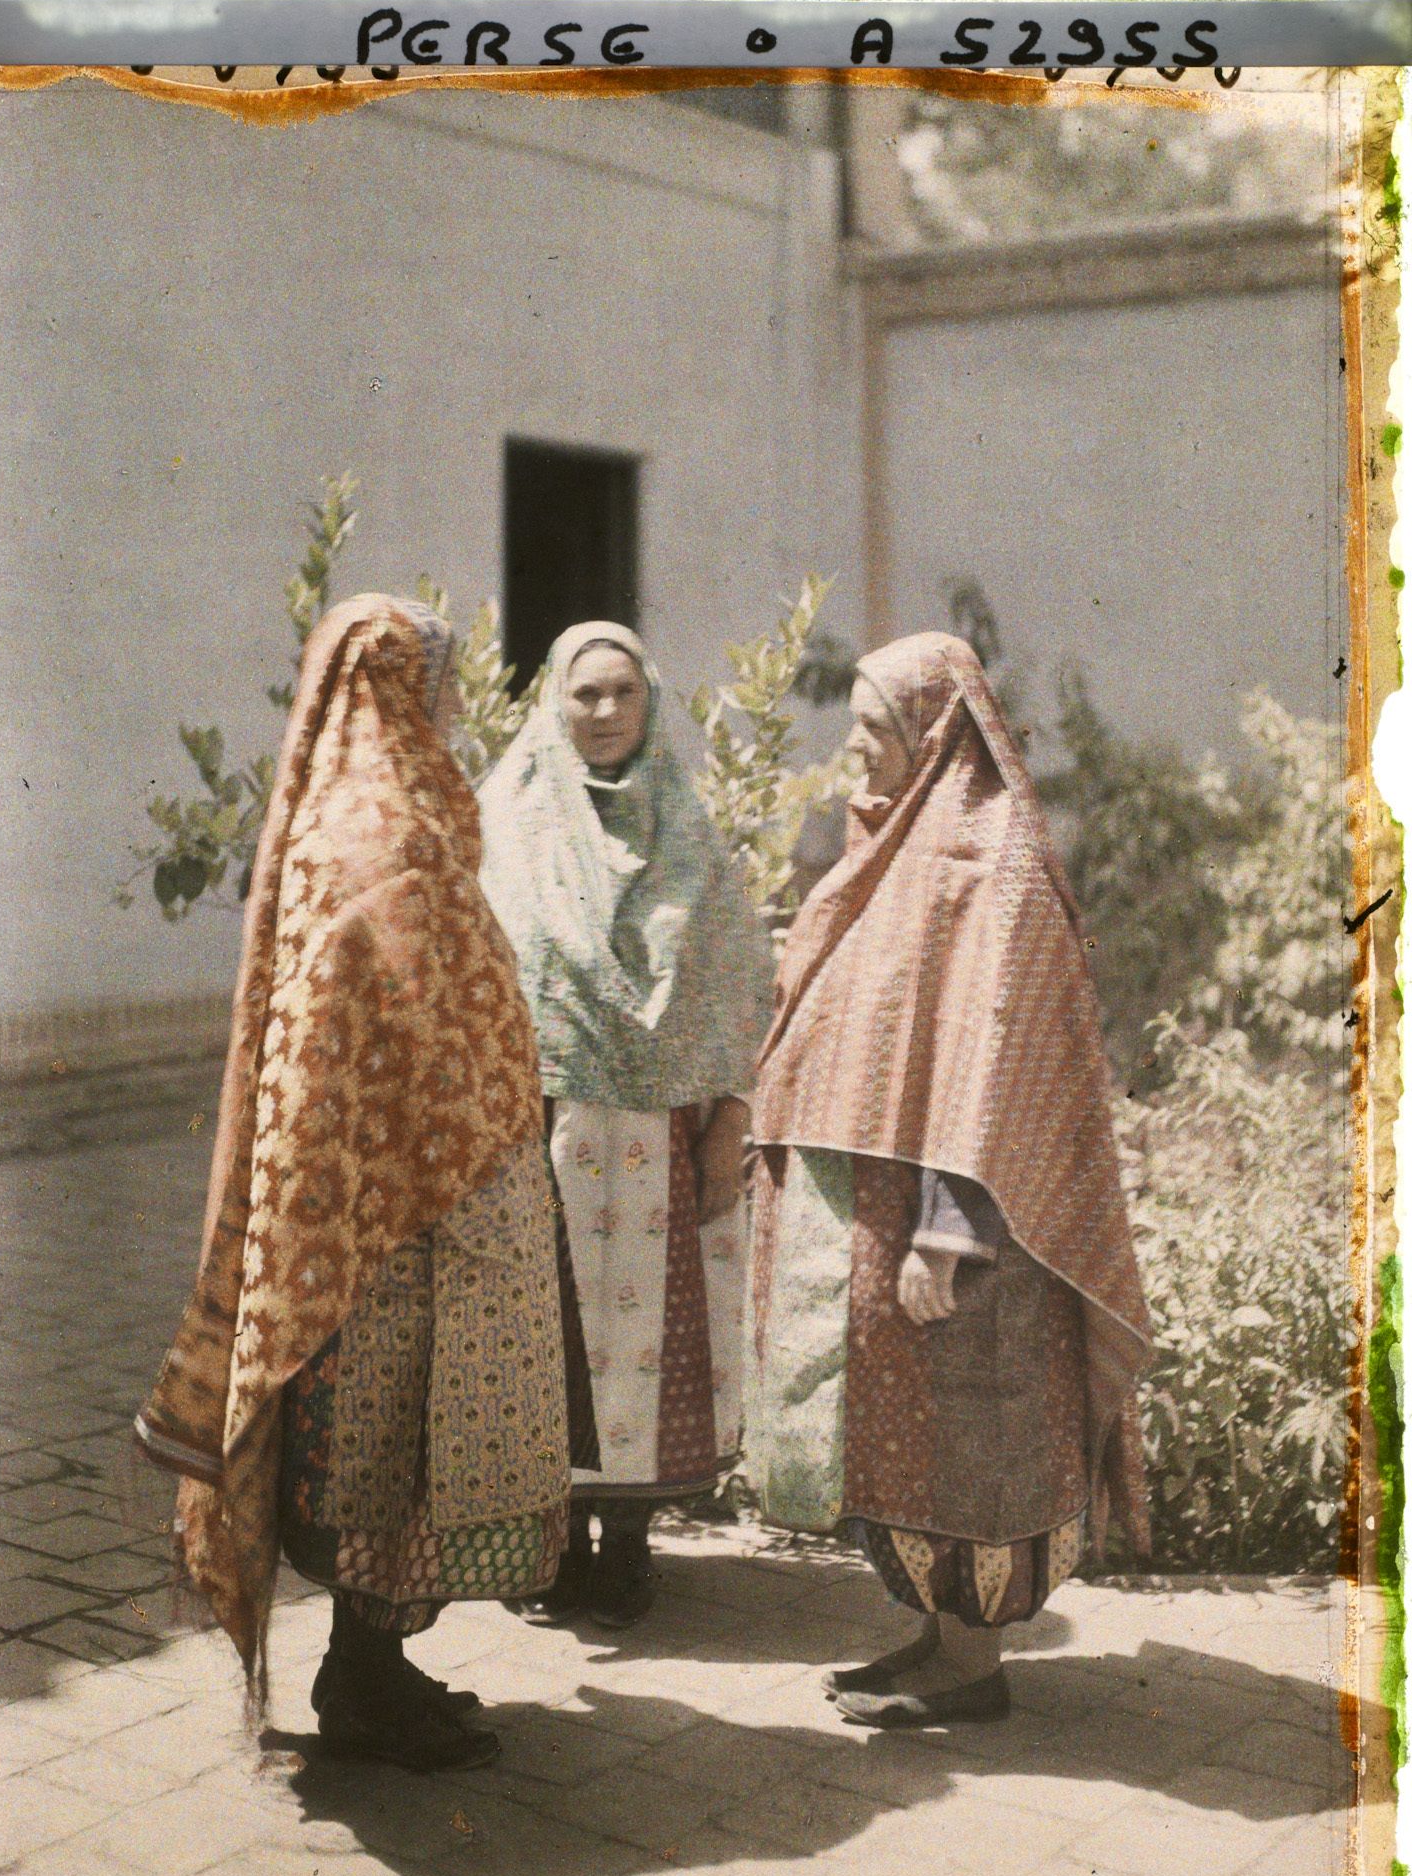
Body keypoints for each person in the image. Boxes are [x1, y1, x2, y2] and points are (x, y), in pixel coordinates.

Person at [135, 593, 570, 1772]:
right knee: (391, 1460)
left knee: (371, 1459)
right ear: (400, 689)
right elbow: (434, 1032)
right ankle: (361, 1679)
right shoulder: (392, 835)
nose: (448, 706)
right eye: (437, 683)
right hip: (403, 1220)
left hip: (355, 1214)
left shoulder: (339, 820)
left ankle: (369, 1663)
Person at [745, 630, 1151, 1727]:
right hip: (901, 1222)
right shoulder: (895, 845)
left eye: (874, 733)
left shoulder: (993, 860)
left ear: (932, 733)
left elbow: (992, 1066)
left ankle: (970, 1670)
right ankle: (935, 1637)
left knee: (967, 1440)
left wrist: (943, 1228)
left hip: (967, 1237)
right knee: (909, 1445)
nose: (857, 759)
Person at [479, 621, 774, 1626]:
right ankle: (550, 1538)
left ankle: (629, 1544)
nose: (602, 713)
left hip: (659, 1139)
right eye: (583, 695)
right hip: (548, 1131)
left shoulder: (687, 829)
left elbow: (736, 982)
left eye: (620, 694)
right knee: (553, 1334)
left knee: (649, 1342)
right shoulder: (509, 824)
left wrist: (731, 1112)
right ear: (553, 704)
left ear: (648, 702)